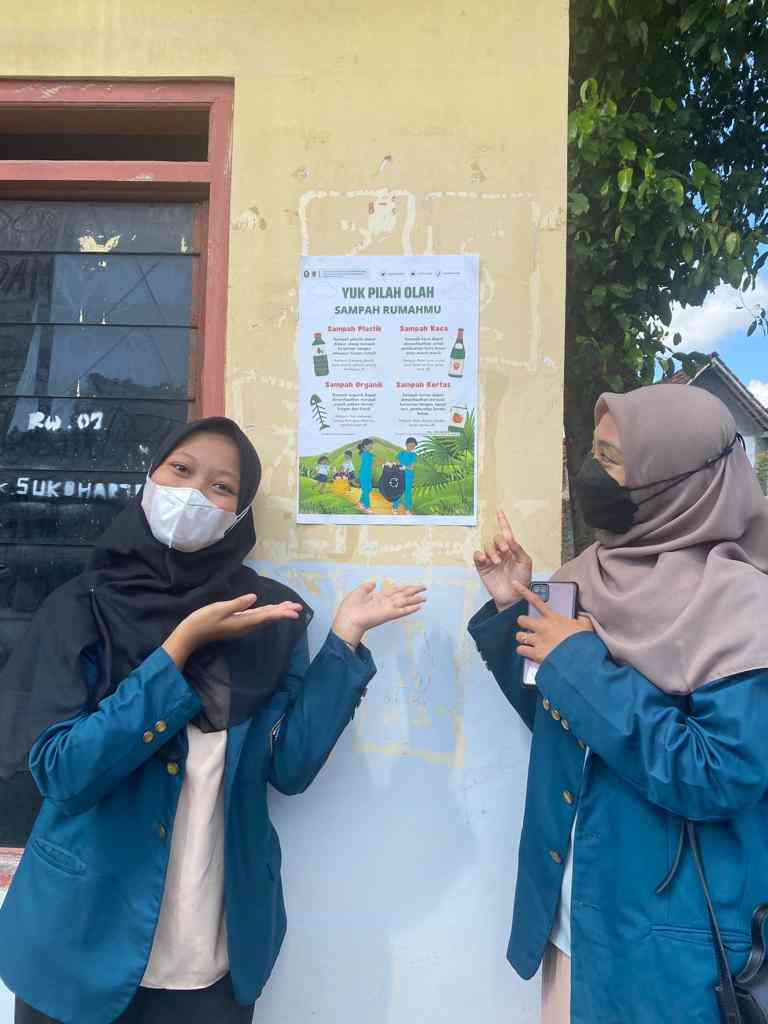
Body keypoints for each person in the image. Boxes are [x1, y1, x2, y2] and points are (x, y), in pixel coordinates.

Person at [0, 416, 426, 1024]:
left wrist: (345, 641)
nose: (197, 494)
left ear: (239, 513)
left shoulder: (268, 615)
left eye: (222, 487)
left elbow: (290, 766)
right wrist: (177, 651)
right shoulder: (79, 608)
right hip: (77, 942)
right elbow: (64, 773)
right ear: (150, 479)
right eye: (182, 470)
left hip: (211, 956)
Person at [467, 383, 768, 1023]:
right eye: (595, 451)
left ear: (675, 480)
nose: (591, 474)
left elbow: (720, 774)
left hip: (672, 945)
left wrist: (577, 662)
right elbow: (567, 729)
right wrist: (511, 609)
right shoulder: (588, 574)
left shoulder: (743, 605)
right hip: (575, 917)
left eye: (611, 458)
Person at [392, 437, 418, 515]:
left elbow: (412, 467)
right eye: (411, 445)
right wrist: (397, 466)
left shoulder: (413, 455)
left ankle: (407, 509)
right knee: (398, 492)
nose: (412, 447)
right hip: (399, 475)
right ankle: (394, 507)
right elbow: (396, 463)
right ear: (406, 444)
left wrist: (404, 467)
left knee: (408, 493)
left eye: (414, 446)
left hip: (408, 476)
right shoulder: (401, 453)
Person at [356, 438, 375, 513]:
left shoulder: (369, 454)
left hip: (368, 474)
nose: (372, 446)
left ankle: (360, 502)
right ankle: (367, 507)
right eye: (370, 444)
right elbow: (368, 462)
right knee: (366, 491)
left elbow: (372, 462)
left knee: (369, 489)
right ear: (365, 445)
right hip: (363, 474)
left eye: (372, 444)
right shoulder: (363, 454)